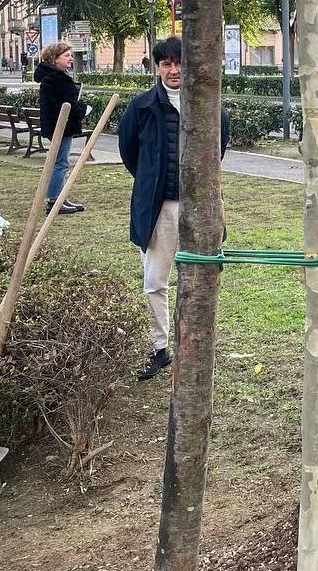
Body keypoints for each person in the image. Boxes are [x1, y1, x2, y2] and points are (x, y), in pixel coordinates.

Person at [119, 36, 231, 381]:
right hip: (159, 208)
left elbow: (218, 151)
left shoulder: (211, 108)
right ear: (157, 67)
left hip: (199, 207)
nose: (174, 70)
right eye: (166, 63)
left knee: (201, 276)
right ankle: (159, 347)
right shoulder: (140, 108)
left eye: (179, 62)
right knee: (155, 279)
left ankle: (196, 342)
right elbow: (130, 156)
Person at [35, 41, 90, 215]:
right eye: (67, 55)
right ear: (54, 58)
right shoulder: (54, 78)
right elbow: (65, 105)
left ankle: (59, 197)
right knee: (61, 163)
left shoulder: (55, 76)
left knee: (60, 161)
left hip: (61, 124)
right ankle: (53, 200)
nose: (71, 59)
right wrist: (83, 108)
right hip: (60, 125)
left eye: (71, 55)